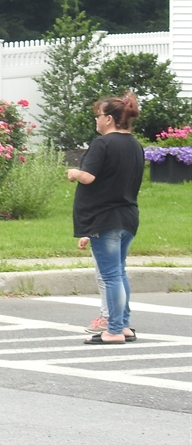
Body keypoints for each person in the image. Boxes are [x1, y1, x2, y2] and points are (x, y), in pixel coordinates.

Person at [66, 92, 144, 346]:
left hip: (104, 218)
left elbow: (89, 177)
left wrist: (74, 172)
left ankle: (113, 330)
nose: (96, 121)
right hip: (128, 216)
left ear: (109, 119)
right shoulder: (135, 145)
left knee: (110, 275)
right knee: (119, 273)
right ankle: (124, 326)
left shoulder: (102, 144)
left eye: (98, 116)